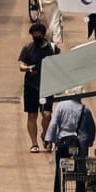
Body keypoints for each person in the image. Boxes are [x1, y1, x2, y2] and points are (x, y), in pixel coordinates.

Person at [45, 93, 96, 192]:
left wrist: (49, 140)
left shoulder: (61, 106)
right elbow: (92, 128)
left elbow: (54, 123)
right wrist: (90, 141)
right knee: (80, 169)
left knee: (61, 168)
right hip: (80, 145)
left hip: (63, 142)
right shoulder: (85, 110)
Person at [17, 21, 59, 152]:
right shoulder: (27, 48)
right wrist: (28, 68)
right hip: (31, 86)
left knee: (47, 114)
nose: (35, 37)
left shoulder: (52, 48)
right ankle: (34, 143)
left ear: (43, 34)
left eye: (38, 34)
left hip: (47, 86)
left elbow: (60, 63)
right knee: (32, 115)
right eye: (33, 34)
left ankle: (46, 135)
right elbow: (21, 65)